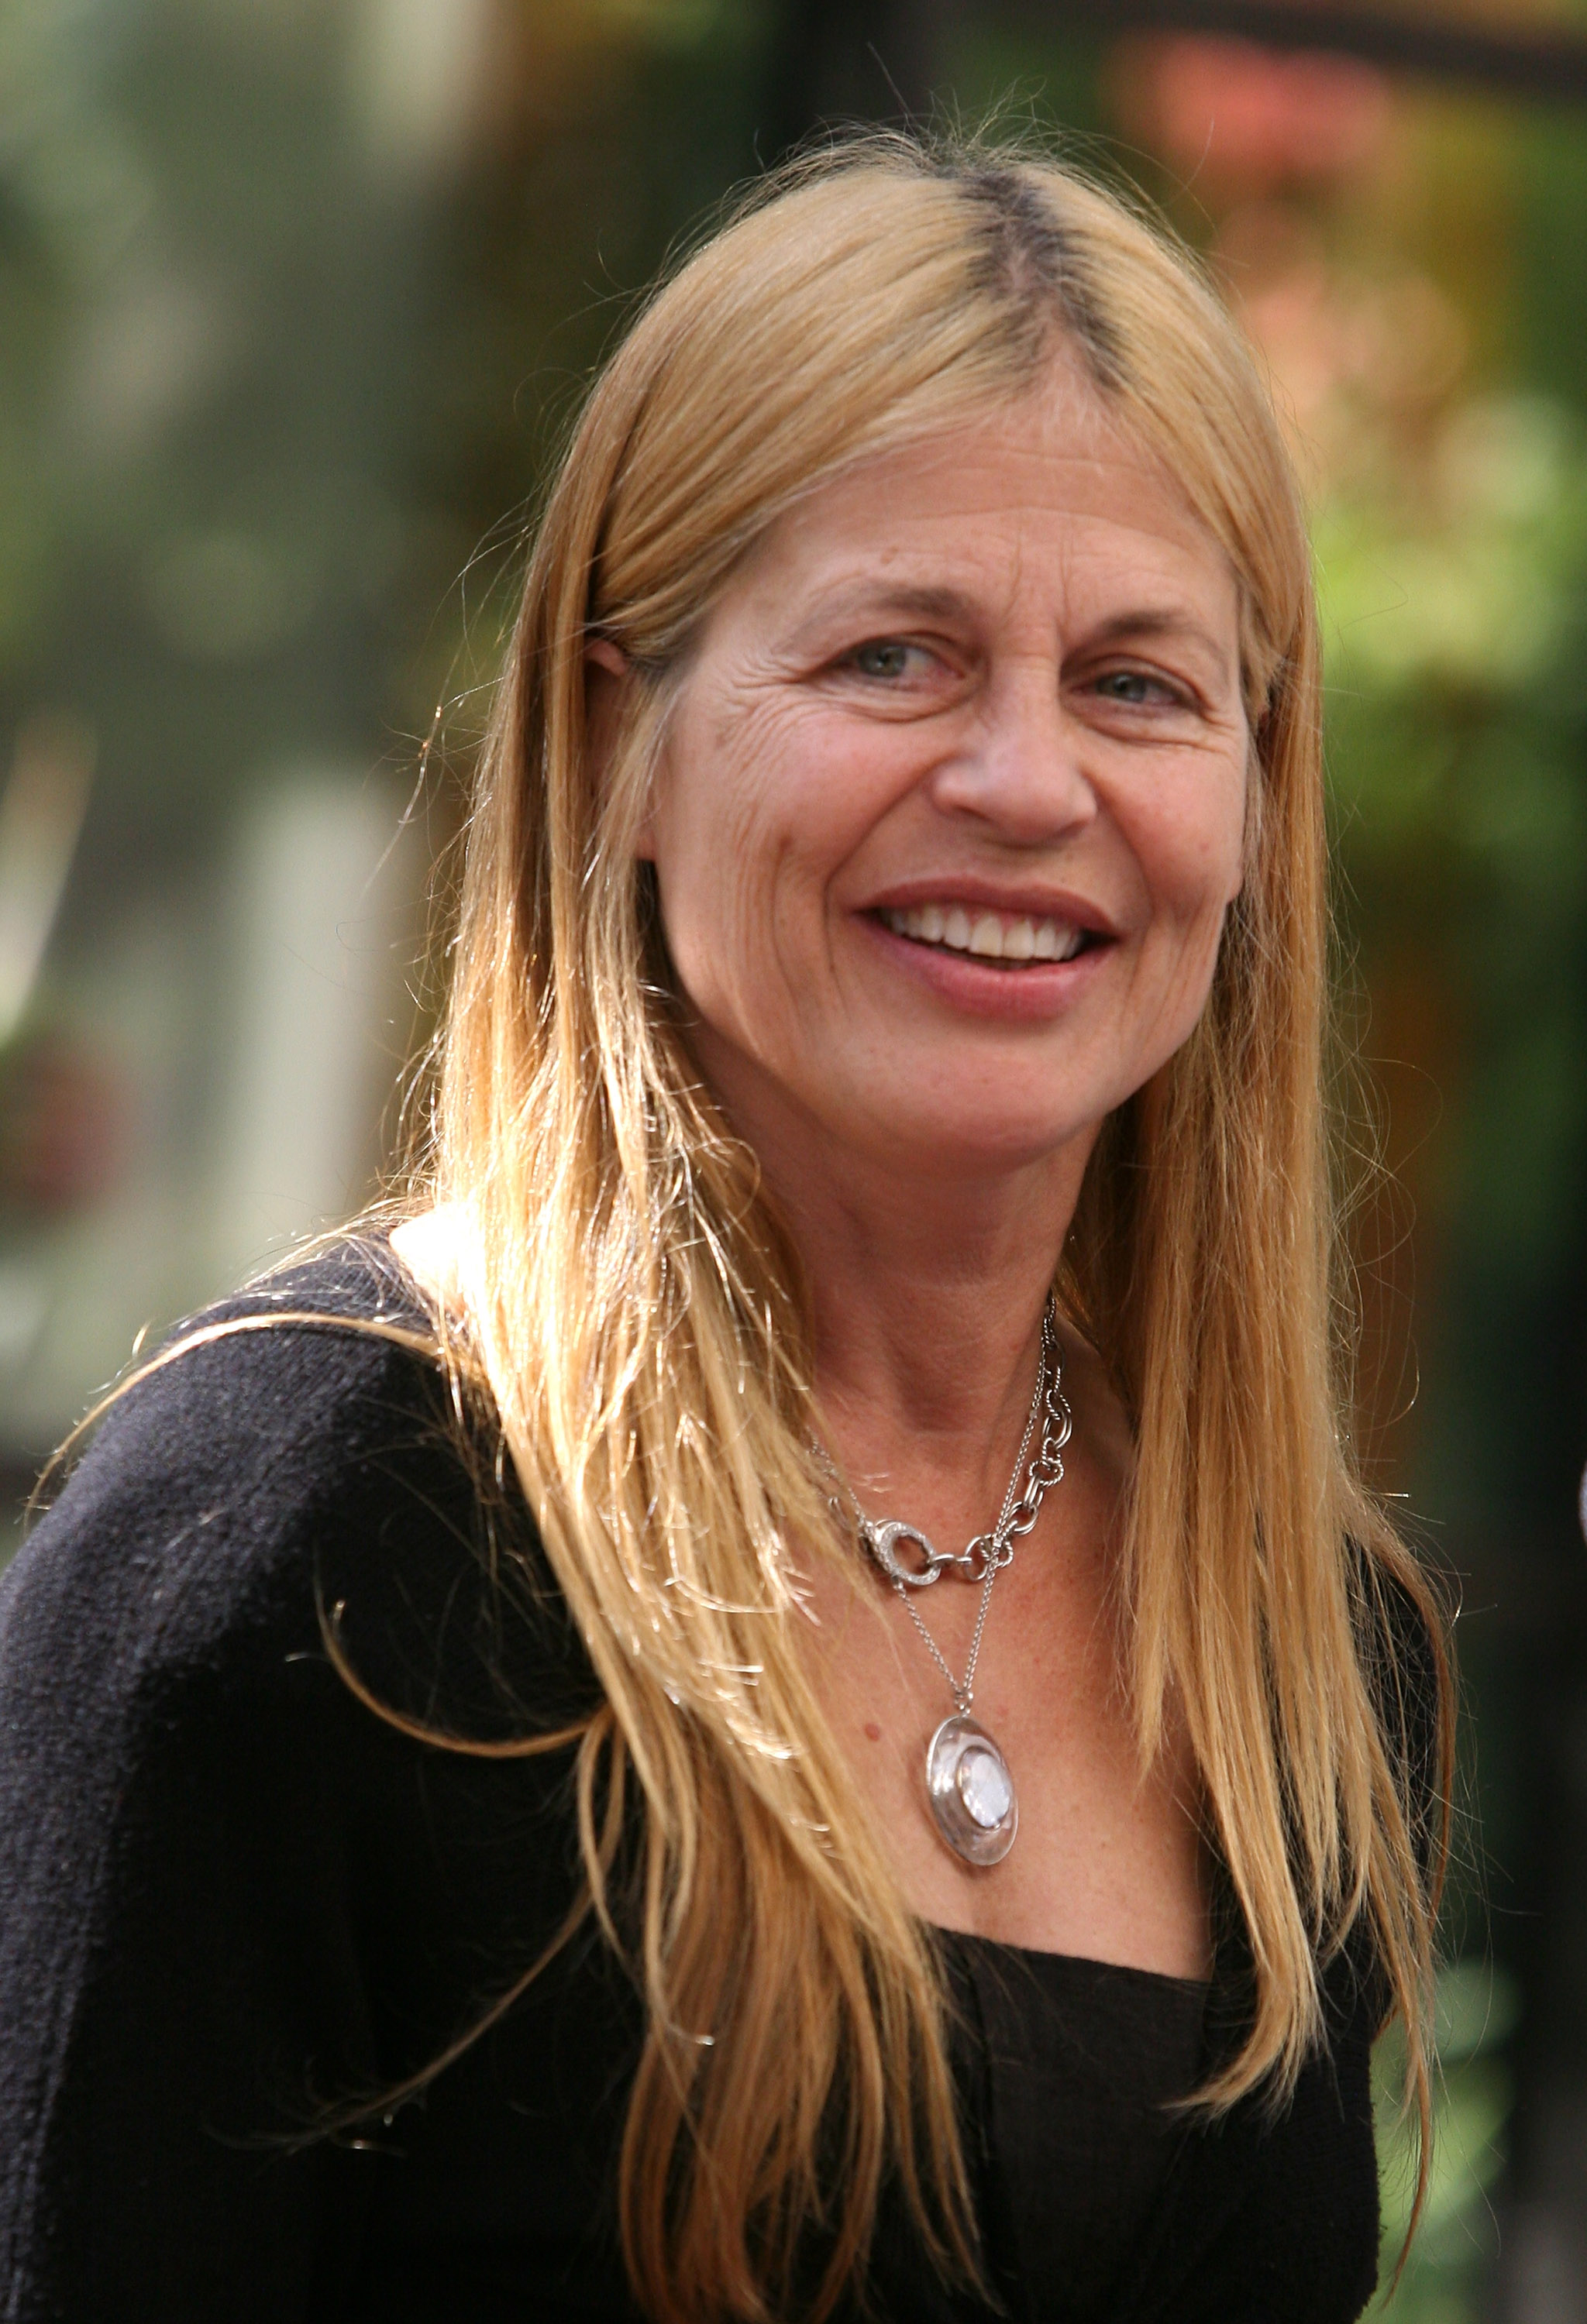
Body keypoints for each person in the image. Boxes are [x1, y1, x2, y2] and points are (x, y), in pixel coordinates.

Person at [0, 135, 1451, 2323]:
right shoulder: (289, 1551)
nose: (1027, 782)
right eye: (897, 656)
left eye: (1142, 683)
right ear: (617, 741)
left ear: (1255, 799)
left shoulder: (1304, 1652)